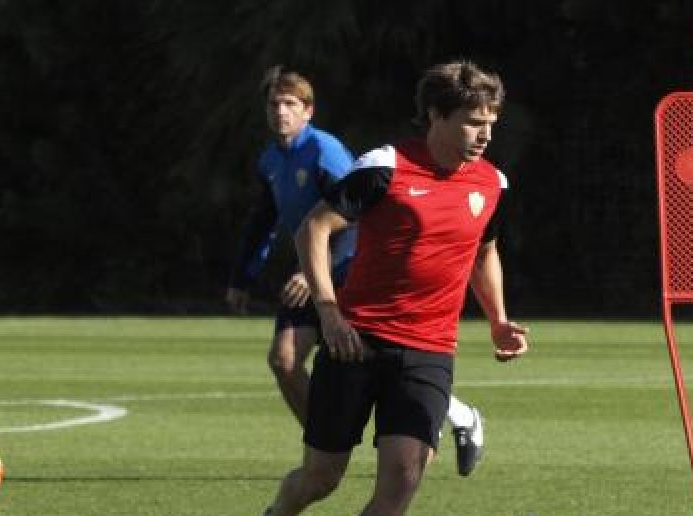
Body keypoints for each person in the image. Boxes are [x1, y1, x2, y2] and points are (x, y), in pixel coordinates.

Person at [263, 60, 529, 516]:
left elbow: (485, 252)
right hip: (356, 342)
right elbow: (314, 228)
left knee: (403, 480)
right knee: (321, 477)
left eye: (490, 123)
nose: (485, 135)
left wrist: (498, 320)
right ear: (436, 115)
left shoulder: (492, 183)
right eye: (472, 122)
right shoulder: (385, 167)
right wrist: (328, 311)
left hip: (429, 349)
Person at [227, 67, 487, 474]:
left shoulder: (325, 152)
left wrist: (319, 270)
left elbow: (359, 216)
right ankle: (326, 455)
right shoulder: (271, 159)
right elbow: (263, 220)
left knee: (365, 362)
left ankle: (457, 416)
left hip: (348, 272)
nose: (280, 112)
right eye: (274, 104)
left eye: (290, 104)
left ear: (308, 110)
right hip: (314, 271)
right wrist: (242, 278)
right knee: (285, 360)